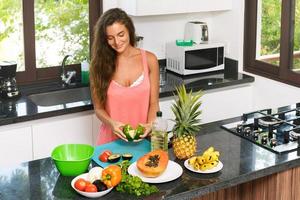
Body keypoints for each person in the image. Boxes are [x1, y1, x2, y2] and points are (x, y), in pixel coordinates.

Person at [90, 8, 160, 145]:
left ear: (129, 30)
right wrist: (112, 124)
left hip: (143, 141)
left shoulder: (150, 60)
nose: (117, 42)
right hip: (109, 142)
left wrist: (150, 125)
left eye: (121, 34)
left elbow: (154, 103)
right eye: (110, 38)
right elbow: (98, 109)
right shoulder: (98, 66)